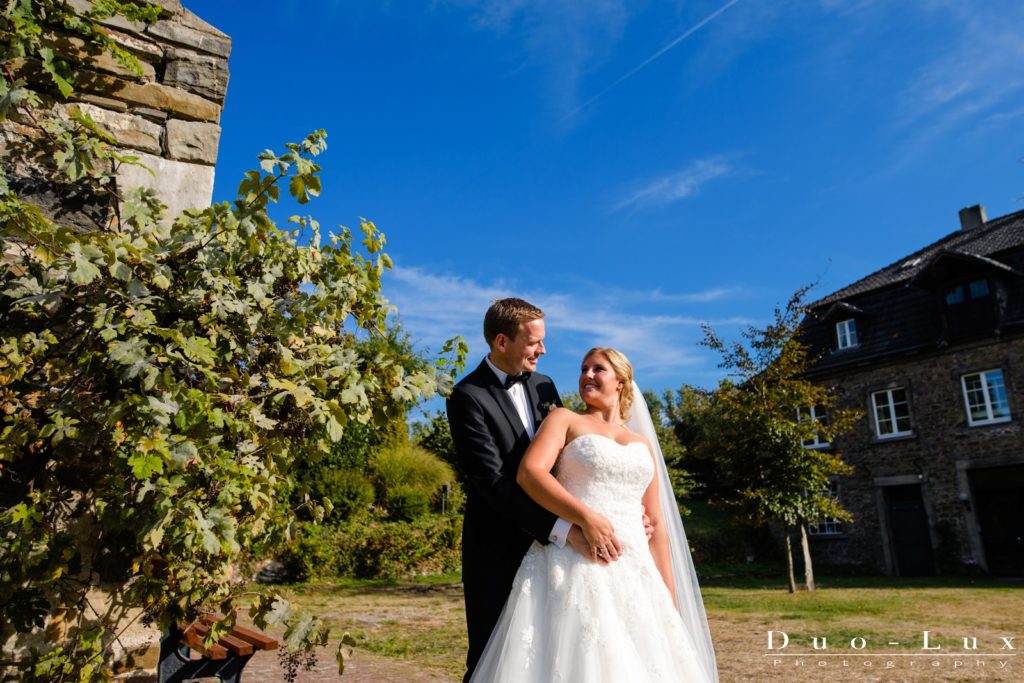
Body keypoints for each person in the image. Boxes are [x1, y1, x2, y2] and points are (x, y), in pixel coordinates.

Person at [468, 347, 719, 683]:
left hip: (635, 571)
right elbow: (530, 473)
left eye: (598, 369)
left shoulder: (642, 444)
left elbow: (655, 522)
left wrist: (668, 598)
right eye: (583, 369)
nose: (587, 376)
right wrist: (586, 518)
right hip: (575, 558)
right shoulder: (564, 419)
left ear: (621, 381)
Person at [448, 298, 599, 682]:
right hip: (496, 549)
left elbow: (570, 460)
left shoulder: (545, 385)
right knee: (491, 658)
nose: (543, 350)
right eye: (534, 342)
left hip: (558, 553)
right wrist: (565, 530)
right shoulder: (466, 397)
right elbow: (494, 485)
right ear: (502, 341)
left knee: (553, 654)